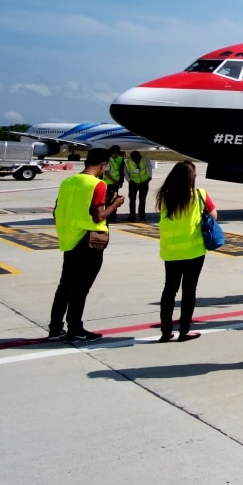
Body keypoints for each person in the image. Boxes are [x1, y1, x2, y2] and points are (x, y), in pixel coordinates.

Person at [47, 147, 123, 342]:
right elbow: (99, 215)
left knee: (65, 286)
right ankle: (75, 329)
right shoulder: (97, 185)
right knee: (81, 288)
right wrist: (114, 205)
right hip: (89, 242)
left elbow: (56, 210)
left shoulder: (67, 182)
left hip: (69, 239)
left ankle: (55, 329)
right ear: (103, 165)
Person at [155, 161, 215, 342]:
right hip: (193, 251)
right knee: (189, 291)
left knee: (169, 290)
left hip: (171, 251)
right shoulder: (199, 195)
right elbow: (214, 214)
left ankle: (166, 331)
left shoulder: (164, 195)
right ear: (192, 178)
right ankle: (185, 330)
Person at [125, 150, 152, 219]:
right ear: (132, 158)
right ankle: (132, 215)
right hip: (133, 182)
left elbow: (149, 167)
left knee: (142, 200)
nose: (137, 160)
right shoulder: (128, 163)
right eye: (135, 159)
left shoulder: (145, 159)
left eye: (138, 158)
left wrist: (150, 177)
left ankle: (142, 215)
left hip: (144, 181)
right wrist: (129, 180)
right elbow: (125, 172)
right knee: (132, 200)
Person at [103, 146, 126, 220]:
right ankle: (109, 215)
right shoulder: (108, 161)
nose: (117, 155)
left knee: (113, 199)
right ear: (112, 153)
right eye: (115, 154)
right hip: (109, 183)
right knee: (109, 200)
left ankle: (112, 215)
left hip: (114, 183)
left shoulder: (115, 160)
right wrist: (115, 181)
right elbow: (106, 173)